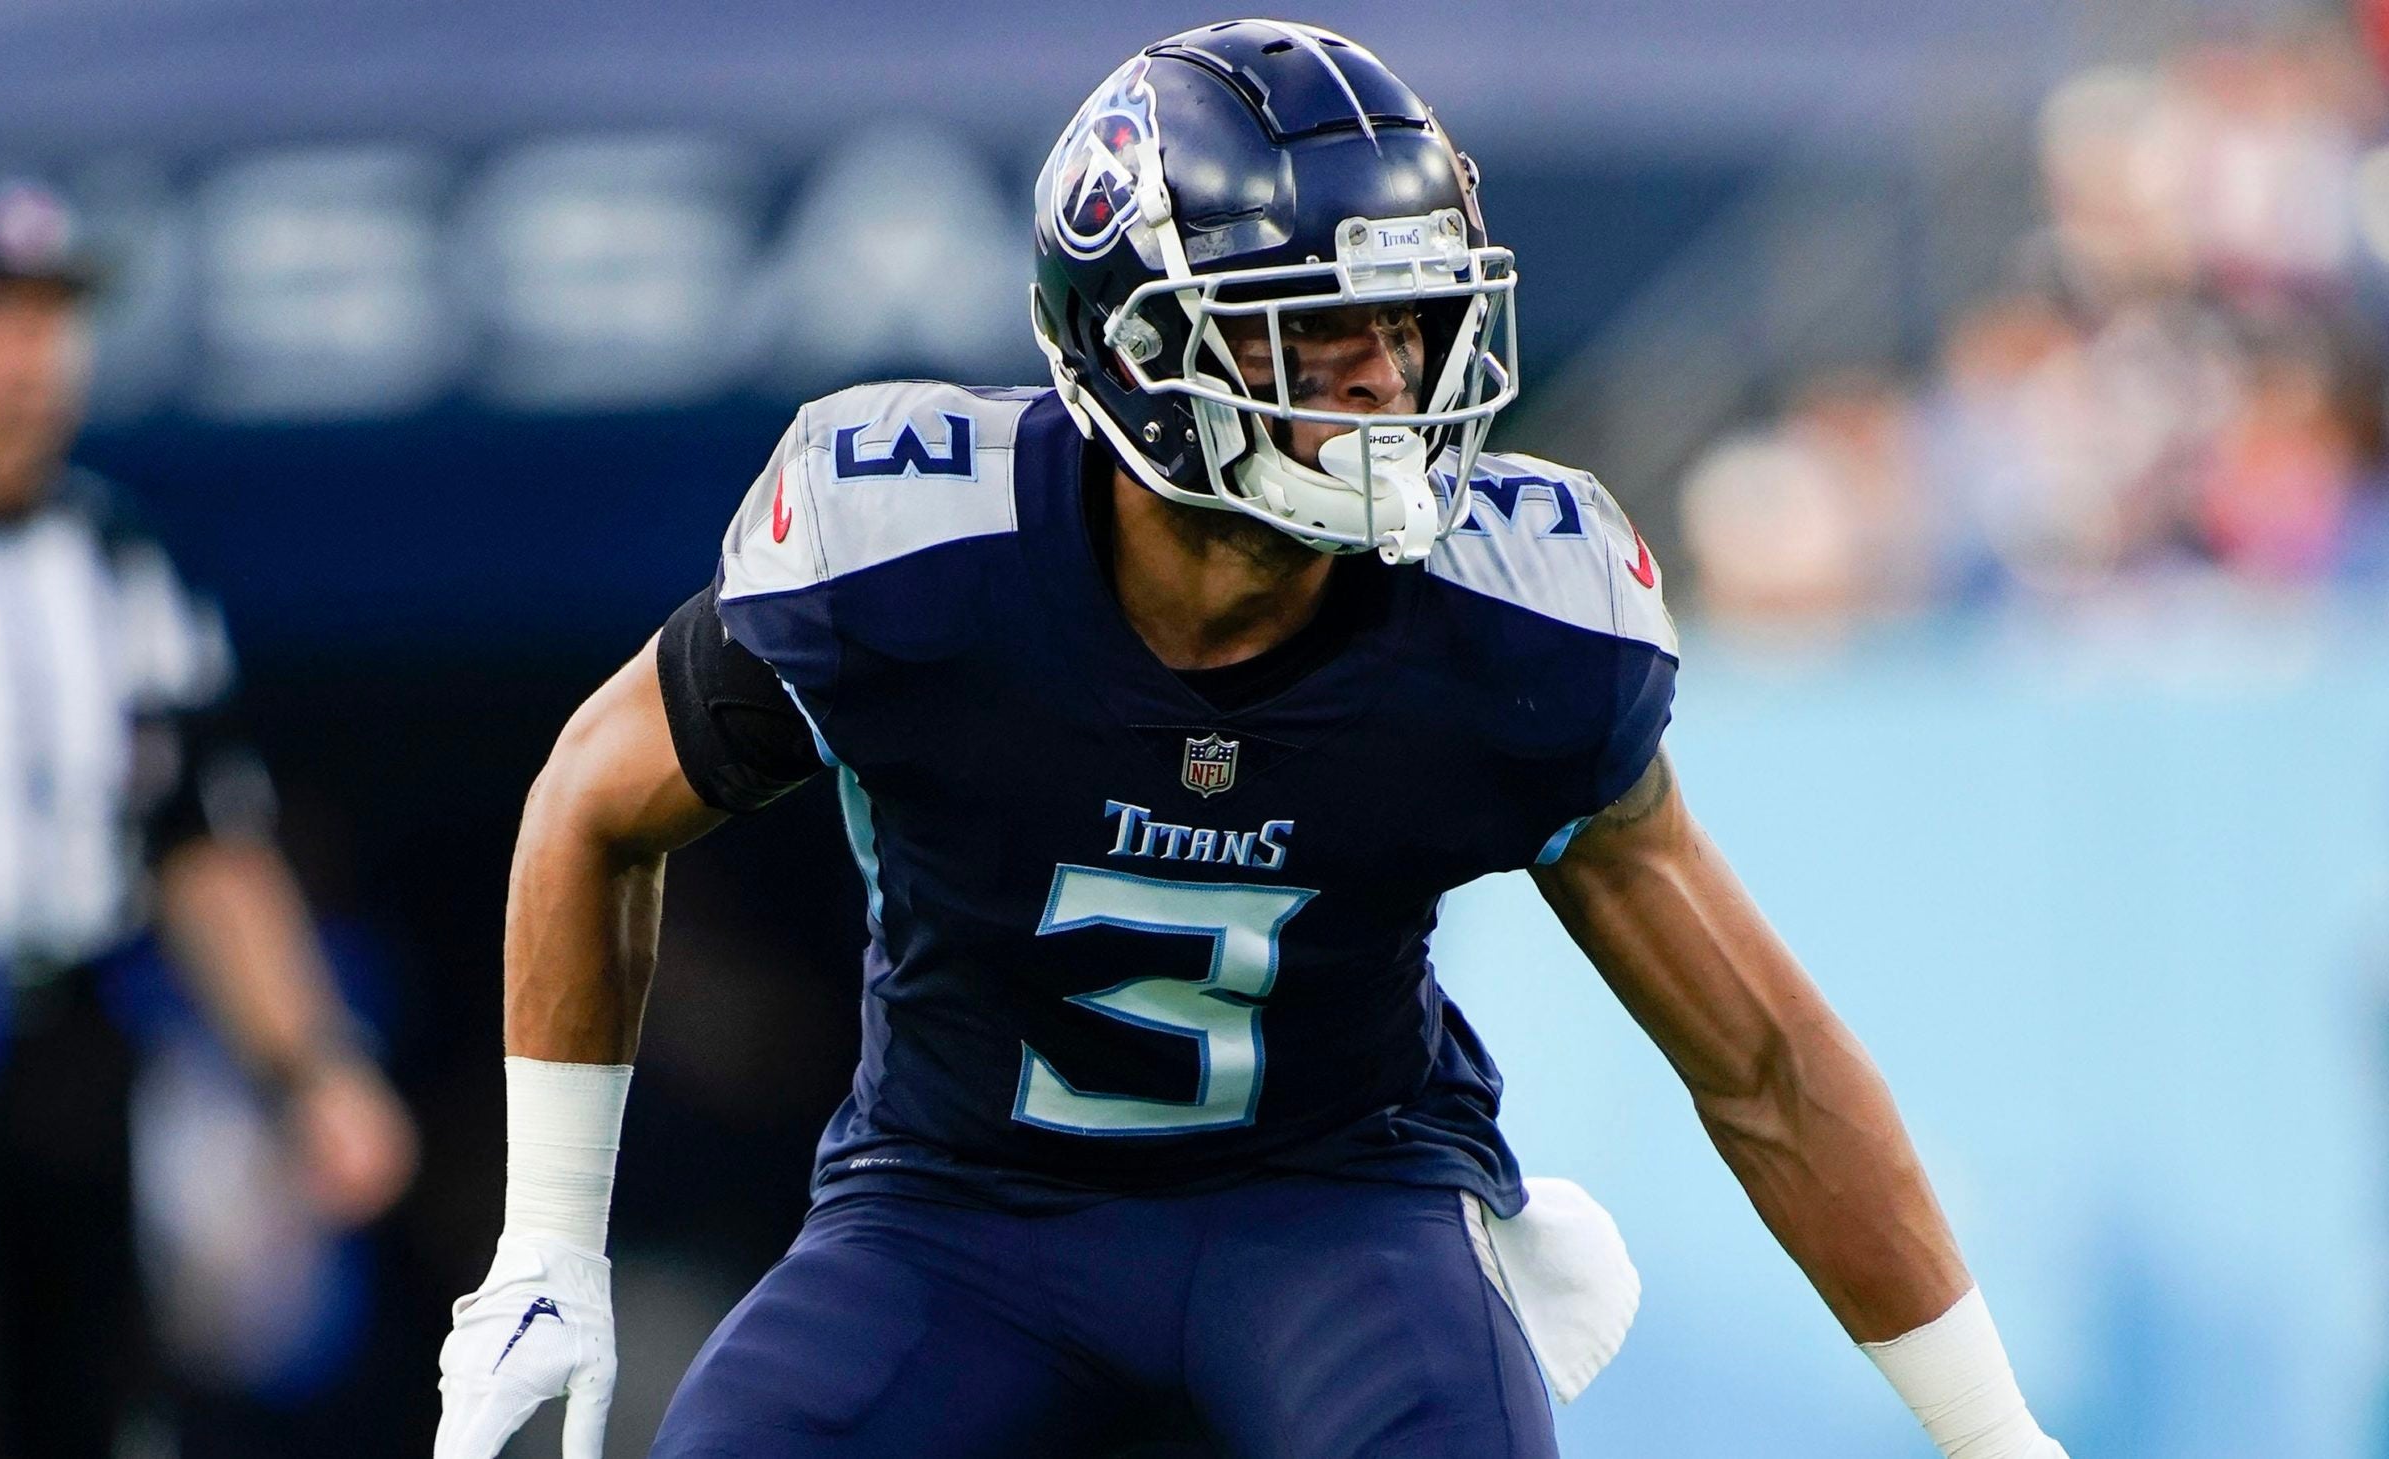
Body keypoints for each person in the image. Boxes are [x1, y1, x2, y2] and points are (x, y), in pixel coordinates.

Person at [436, 22, 2071, 1459]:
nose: (1390, 385)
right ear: (1140, 351)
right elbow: (592, 799)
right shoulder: (909, 550)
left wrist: (1995, 1434)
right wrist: (548, 1240)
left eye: (1411, 327)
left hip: (1336, 1209)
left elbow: (1764, 1056)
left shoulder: (1513, 614)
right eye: (1319, 338)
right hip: (953, 1212)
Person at [0, 173, 418, 1459]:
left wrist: (310, 1066)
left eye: (48, 325)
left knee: (98, 1411)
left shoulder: (120, 565)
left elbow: (205, 843)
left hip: (77, 1040)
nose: (24, 362)